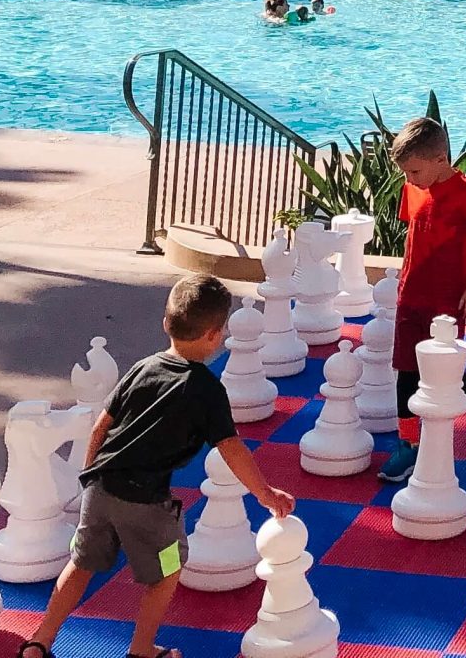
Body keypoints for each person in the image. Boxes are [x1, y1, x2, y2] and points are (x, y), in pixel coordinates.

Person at [18, 275, 294, 658]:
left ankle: (39, 641)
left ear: (166, 323)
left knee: (80, 564)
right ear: (215, 336)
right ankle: (142, 649)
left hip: (101, 489)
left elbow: (102, 424)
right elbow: (231, 448)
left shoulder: (143, 367)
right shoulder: (206, 389)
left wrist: (89, 475)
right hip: (147, 504)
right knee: (168, 568)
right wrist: (265, 493)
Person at [375, 117, 466, 483]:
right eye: (405, 171)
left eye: (414, 170)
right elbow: (414, 233)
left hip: (447, 299)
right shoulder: (411, 186)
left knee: (442, 369)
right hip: (410, 294)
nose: (409, 178)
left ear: (441, 159)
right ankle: (408, 446)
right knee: (406, 370)